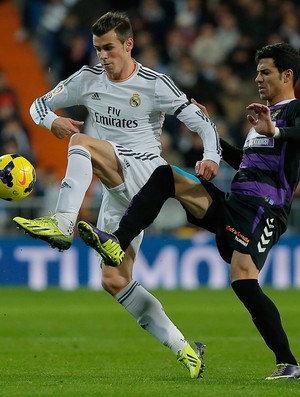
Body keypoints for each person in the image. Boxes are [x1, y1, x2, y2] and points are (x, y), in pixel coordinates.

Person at [13, 11, 223, 378]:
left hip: (147, 174)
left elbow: (202, 122)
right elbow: (37, 106)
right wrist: (53, 121)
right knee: (113, 280)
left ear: (129, 44)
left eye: (109, 48)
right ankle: (186, 348)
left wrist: (210, 156)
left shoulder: (155, 84)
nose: (103, 56)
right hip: (118, 191)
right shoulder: (87, 79)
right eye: (98, 49)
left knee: (81, 143)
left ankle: (63, 225)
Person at [76, 42, 300, 380]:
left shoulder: (292, 112)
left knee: (242, 279)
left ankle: (289, 363)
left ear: (287, 75)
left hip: (264, 210)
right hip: (235, 201)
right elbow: (247, 164)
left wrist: (277, 130)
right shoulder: (261, 121)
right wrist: (210, 134)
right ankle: (117, 241)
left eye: (265, 72)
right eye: (257, 72)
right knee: (166, 175)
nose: (257, 78)